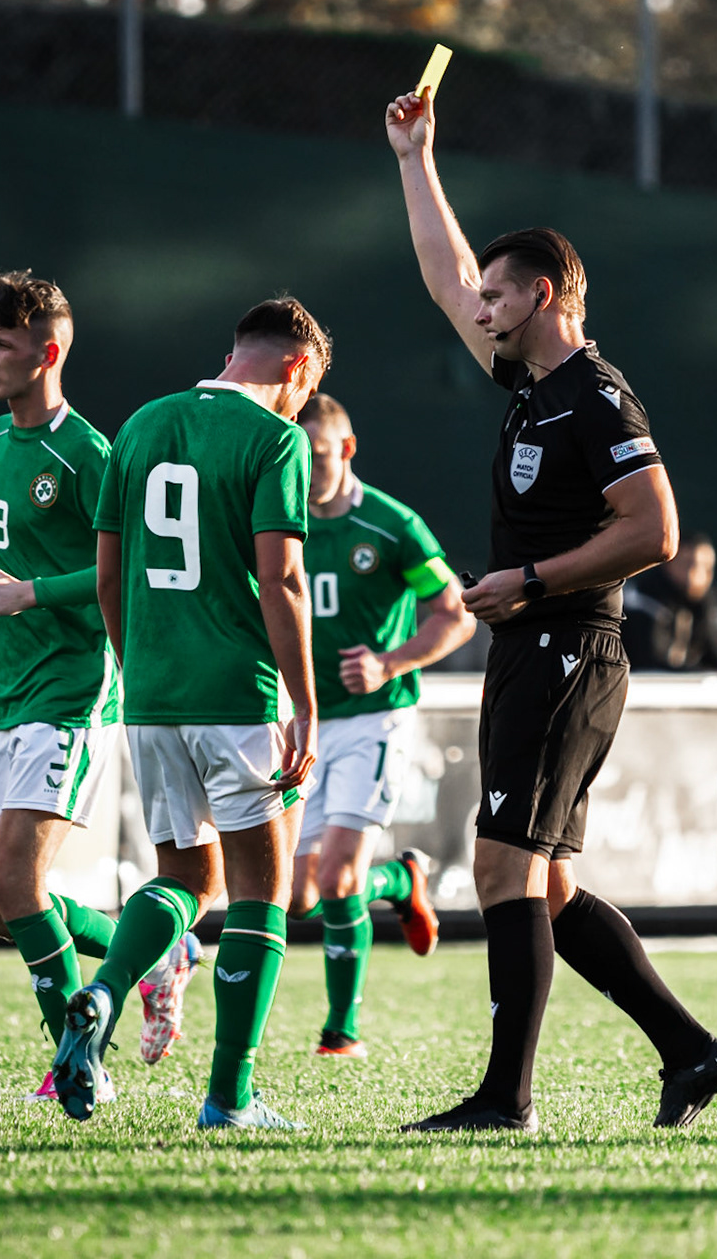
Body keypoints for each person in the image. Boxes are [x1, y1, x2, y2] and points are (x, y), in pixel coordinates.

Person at [386, 87, 717, 1132]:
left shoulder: (595, 393)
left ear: (543, 295)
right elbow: (446, 280)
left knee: (505, 864)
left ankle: (507, 1098)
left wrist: (532, 582)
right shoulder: (531, 384)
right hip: (532, 644)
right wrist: (416, 158)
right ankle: (691, 1049)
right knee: (541, 886)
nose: (482, 307)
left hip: (570, 645)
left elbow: (657, 530)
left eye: (500, 295)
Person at [48, 296, 327, 1130]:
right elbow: (279, 580)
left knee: (185, 881)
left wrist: (140, 675)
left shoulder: (138, 426)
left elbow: (107, 578)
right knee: (259, 895)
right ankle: (230, 1098)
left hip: (153, 694)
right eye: (306, 393)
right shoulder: (276, 440)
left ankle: (99, 994)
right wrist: (305, 703)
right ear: (295, 368)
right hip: (236, 694)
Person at [0, 270, 195, 1101]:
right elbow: (16, 569)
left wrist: (30, 594)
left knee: (17, 886)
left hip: (76, 690)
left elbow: (127, 570)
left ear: (46, 352)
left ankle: (76, 1061)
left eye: (0, 344)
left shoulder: (90, 453)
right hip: (8, 691)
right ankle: (153, 957)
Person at [288, 391, 471, 1058]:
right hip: (306, 720)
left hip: (375, 720)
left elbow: (455, 613)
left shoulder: (394, 528)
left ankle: (342, 1031)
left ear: (348, 450)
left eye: (318, 455)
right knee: (300, 895)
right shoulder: (279, 524)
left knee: (337, 879)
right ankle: (400, 880)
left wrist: (390, 663)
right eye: (296, 455)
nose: (306, 470)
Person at [622, 533, 717, 671]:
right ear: (668, 563)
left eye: (706, 567)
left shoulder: (703, 604)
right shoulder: (640, 602)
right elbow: (650, 665)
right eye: (688, 564)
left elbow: (714, 656)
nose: (697, 574)